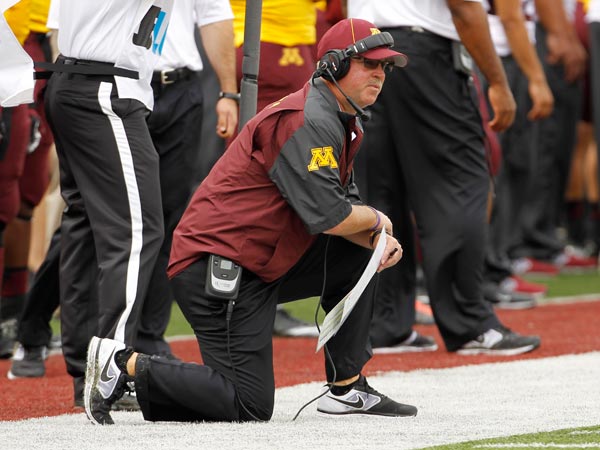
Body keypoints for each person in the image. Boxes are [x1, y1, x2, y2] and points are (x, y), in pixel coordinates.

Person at [83, 18, 416, 425]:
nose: (380, 74)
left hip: (259, 259)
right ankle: (123, 364)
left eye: (385, 67)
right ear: (334, 65)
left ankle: (347, 388)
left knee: (365, 251)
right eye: (369, 64)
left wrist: (375, 238)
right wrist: (380, 220)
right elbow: (330, 215)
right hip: (217, 267)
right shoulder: (307, 119)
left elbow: (343, 207)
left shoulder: (340, 118)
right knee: (248, 404)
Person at [348, 0, 542, 354]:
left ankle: (385, 323)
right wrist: (498, 82)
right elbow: (464, 5)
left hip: (361, 52)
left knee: (381, 189)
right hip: (425, 52)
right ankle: (469, 323)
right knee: (459, 182)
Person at [42, 0, 173, 404]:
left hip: (79, 81)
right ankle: (108, 367)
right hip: (103, 89)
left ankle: (88, 370)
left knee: (84, 229)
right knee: (136, 232)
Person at [231, 0, 323, 338]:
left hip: (270, 43)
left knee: (268, 179)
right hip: (269, 44)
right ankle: (250, 298)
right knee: (263, 182)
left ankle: (256, 297)